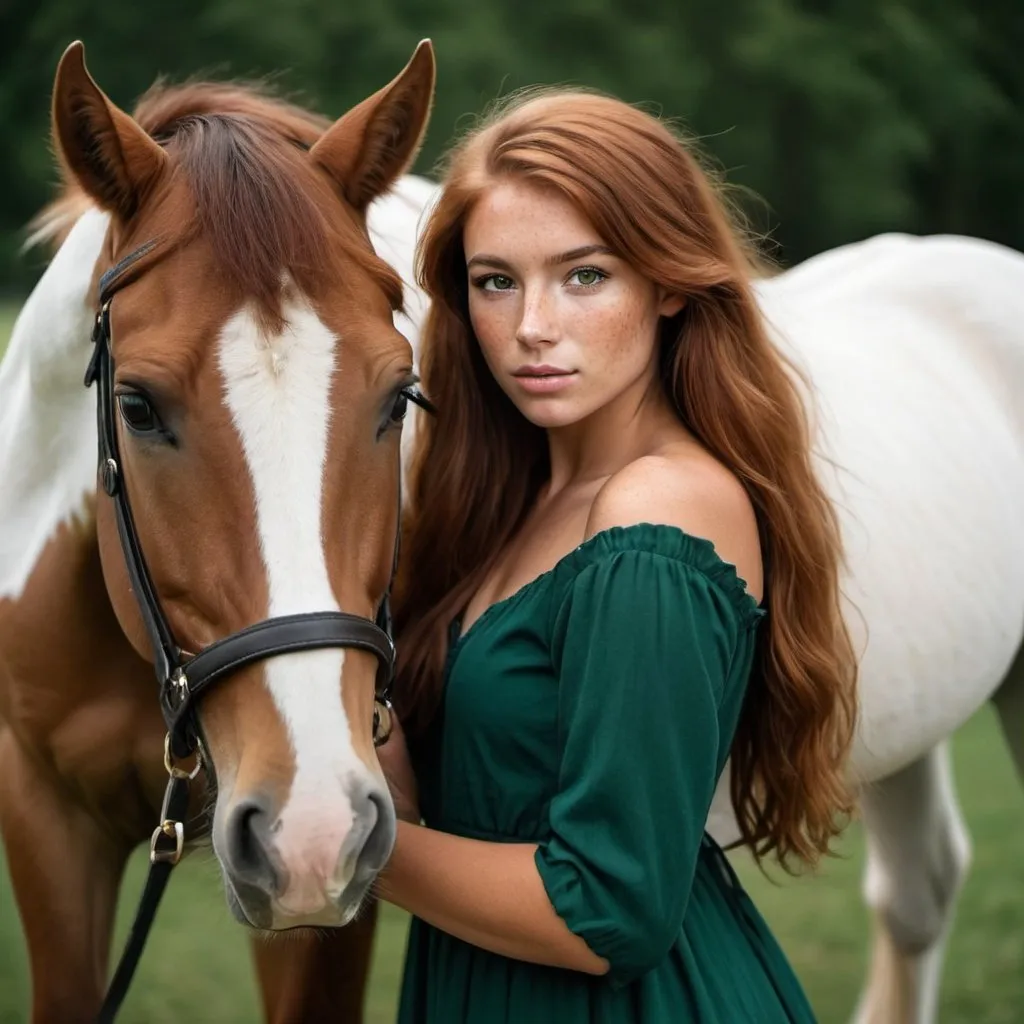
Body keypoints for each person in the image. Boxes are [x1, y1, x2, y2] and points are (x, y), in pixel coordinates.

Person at [375, 87, 858, 1023]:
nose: (532, 327)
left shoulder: (656, 516)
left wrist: (357, 849)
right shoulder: (511, 505)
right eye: (495, 281)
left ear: (670, 281)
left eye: (585, 275)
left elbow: (608, 908)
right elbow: (497, 791)